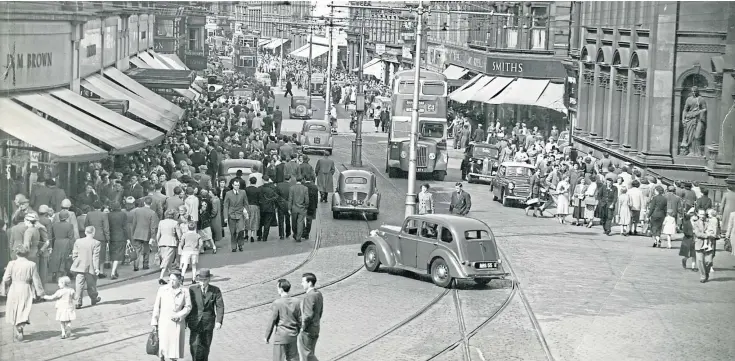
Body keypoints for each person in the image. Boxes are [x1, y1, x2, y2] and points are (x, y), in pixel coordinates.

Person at [1, 244, 45, 341]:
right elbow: (36, 279)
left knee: (14, 308)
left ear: (16, 253)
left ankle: (18, 327)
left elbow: (5, 278)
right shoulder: (31, 265)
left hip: (14, 288)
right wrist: (40, 292)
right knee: (23, 307)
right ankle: (20, 326)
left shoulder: (11, 264)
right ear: (27, 254)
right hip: (25, 288)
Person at [152, 270, 192, 361]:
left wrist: (179, 315)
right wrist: (154, 322)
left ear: (179, 279)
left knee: (174, 350)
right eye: (170, 280)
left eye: (174, 280)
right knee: (162, 349)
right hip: (164, 323)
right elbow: (156, 306)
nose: (171, 282)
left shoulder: (185, 291)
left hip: (177, 324)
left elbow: (188, 307)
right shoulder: (162, 290)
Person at [186, 269, 224, 361]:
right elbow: (187, 305)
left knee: (205, 347)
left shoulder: (215, 290)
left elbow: (220, 306)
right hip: (195, 322)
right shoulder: (192, 289)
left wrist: (218, 321)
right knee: (194, 345)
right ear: (198, 280)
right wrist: (185, 321)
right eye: (201, 280)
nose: (203, 283)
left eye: (205, 280)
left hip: (208, 324)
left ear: (209, 279)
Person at [265, 279, 301, 361]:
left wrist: (267, 336)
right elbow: (300, 320)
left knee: (278, 358)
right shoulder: (296, 301)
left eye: (277, 288)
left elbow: (272, 321)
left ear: (281, 289)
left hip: (280, 337)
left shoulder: (277, 303)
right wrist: (296, 332)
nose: (277, 290)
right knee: (293, 358)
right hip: (293, 335)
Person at [70, 226, 102, 309]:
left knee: (79, 285)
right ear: (93, 233)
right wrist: (96, 268)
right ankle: (94, 298)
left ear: (85, 232)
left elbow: (74, 254)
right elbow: (95, 257)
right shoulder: (96, 243)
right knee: (91, 284)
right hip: (90, 267)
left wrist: (76, 262)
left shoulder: (78, 241)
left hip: (79, 266)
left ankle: (78, 302)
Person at [299, 272, 323, 361]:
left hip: (308, 330)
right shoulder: (318, 294)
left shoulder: (309, 296)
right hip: (316, 327)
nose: (302, 284)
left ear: (309, 283)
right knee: (310, 352)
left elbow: (308, 315)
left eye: (303, 281)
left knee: (306, 355)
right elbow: (320, 311)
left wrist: (302, 327)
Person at [131, 197, 160, 272]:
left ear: (144, 203)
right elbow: (153, 226)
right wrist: (153, 237)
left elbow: (134, 223)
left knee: (137, 250)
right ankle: (145, 265)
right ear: (151, 203)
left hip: (137, 233)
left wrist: (133, 232)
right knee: (146, 250)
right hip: (147, 234)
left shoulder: (137, 211)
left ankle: (136, 265)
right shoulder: (152, 213)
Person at [49, 210, 76, 282]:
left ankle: (54, 274)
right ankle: (62, 275)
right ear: (67, 217)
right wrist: (72, 248)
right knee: (64, 259)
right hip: (66, 243)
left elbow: (52, 236)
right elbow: (71, 237)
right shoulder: (69, 225)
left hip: (57, 242)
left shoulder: (54, 225)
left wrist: (51, 246)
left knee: (56, 258)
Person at [84, 201, 110, 278]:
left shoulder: (89, 214)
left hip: (91, 236)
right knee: (101, 255)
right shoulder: (104, 215)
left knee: (91, 254)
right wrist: (108, 238)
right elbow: (106, 228)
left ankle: (92, 271)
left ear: (93, 207)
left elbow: (86, 225)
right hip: (101, 237)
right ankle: (100, 272)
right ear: (101, 207)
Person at [225, 180, 250, 252]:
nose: (237, 187)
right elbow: (226, 206)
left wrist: (247, 212)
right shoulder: (228, 194)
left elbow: (246, 203)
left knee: (241, 230)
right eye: (235, 185)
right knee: (233, 232)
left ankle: (240, 244)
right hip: (231, 214)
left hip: (240, 214)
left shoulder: (243, 192)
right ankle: (233, 247)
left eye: (238, 185)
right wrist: (226, 217)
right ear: (232, 185)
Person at [157, 209, 181, 285]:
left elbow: (158, 234)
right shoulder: (175, 223)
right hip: (171, 242)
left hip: (162, 242)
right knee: (167, 260)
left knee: (168, 260)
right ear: (173, 215)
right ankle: (161, 277)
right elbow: (179, 235)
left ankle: (171, 276)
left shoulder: (161, 222)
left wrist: (158, 243)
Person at [106, 202, 128, 280]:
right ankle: (113, 272)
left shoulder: (108, 215)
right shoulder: (123, 214)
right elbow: (125, 227)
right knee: (118, 255)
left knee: (113, 254)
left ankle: (114, 270)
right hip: (120, 236)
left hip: (111, 237)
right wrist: (127, 237)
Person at [692, 209, 713, 282]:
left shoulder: (709, 222)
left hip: (708, 244)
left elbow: (713, 230)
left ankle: (706, 273)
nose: (702, 216)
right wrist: (707, 235)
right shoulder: (696, 223)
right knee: (700, 261)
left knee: (709, 261)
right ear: (698, 214)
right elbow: (697, 234)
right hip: (699, 243)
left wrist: (712, 234)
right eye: (701, 214)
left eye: (703, 214)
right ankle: (703, 276)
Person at [288, 177, 309, 243]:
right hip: (302, 208)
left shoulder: (292, 188)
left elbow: (290, 199)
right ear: (302, 180)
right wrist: (306, 206)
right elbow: (307, 200)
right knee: (300, 222)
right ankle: (298, 237)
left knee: (294, 222)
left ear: (296, 180)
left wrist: (289, 208)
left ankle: (295, 234)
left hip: (294, 208)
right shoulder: (305, 188)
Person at [245, 177, 262, 243]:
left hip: (247, 206)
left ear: (249, 181)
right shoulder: (258, 190)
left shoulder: (246, 189)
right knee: (254, 220)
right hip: (255, 206)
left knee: (246, 220)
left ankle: (246, 235)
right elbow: (259, 199)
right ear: (256, 182)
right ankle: (252, 235)